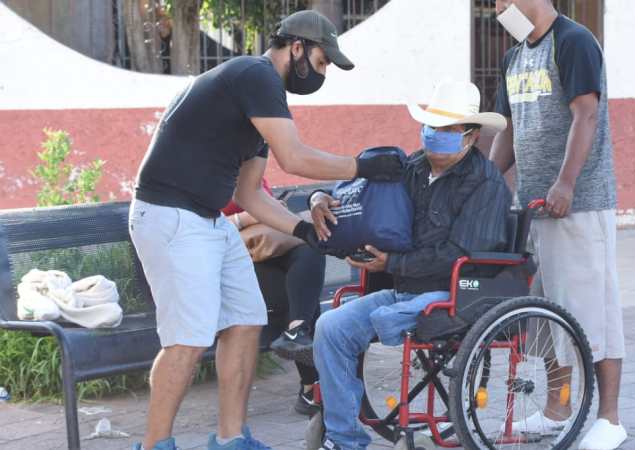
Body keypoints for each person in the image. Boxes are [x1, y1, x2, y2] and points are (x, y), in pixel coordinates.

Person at [128, 10, 402, 450]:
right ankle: (154, 445)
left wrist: (304, 231)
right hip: (171, 214)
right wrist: (361, 166)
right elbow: (293, 157)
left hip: (208, 219)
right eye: (321, 62)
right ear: (297, 48)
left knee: (245, 320)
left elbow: (250, 193)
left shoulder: (259, 97)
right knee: (187, 341)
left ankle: (232, 440)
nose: (322, 72)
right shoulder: (256, 75)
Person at [309, 80, 512, 450]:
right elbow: (357, 193)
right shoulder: (411, 167)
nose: (434, 136)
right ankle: (343, 438)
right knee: (330, 327)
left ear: (470, 137)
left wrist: (393, 262)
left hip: (455, 293)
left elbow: (460, 254)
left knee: (389, 317)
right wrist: (320, 197)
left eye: (446, 130)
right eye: (431, 127)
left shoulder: (486, 184)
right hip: (404, 288)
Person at [491, 1, 626, 449]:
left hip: (579, 206)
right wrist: (487, 185)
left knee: (593, 313)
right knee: (547, 316)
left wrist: (566, 182)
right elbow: (508, 128)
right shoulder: (514, 56)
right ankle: (555, 409)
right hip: (534, 208)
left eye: (501, 0)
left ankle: (610, 418)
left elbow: (586, 113)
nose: (497, 8)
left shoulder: (573, 41)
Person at [222, 179, 323, 416]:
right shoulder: (199, 173)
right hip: (230, 259)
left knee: (310, 253)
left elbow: (264, 204)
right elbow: (195, 230)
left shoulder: (249, 166)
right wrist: (244, 219)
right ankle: (311, 388)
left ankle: (297, 331)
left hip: (268, 246)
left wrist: (274, 210)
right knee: (299, 294)